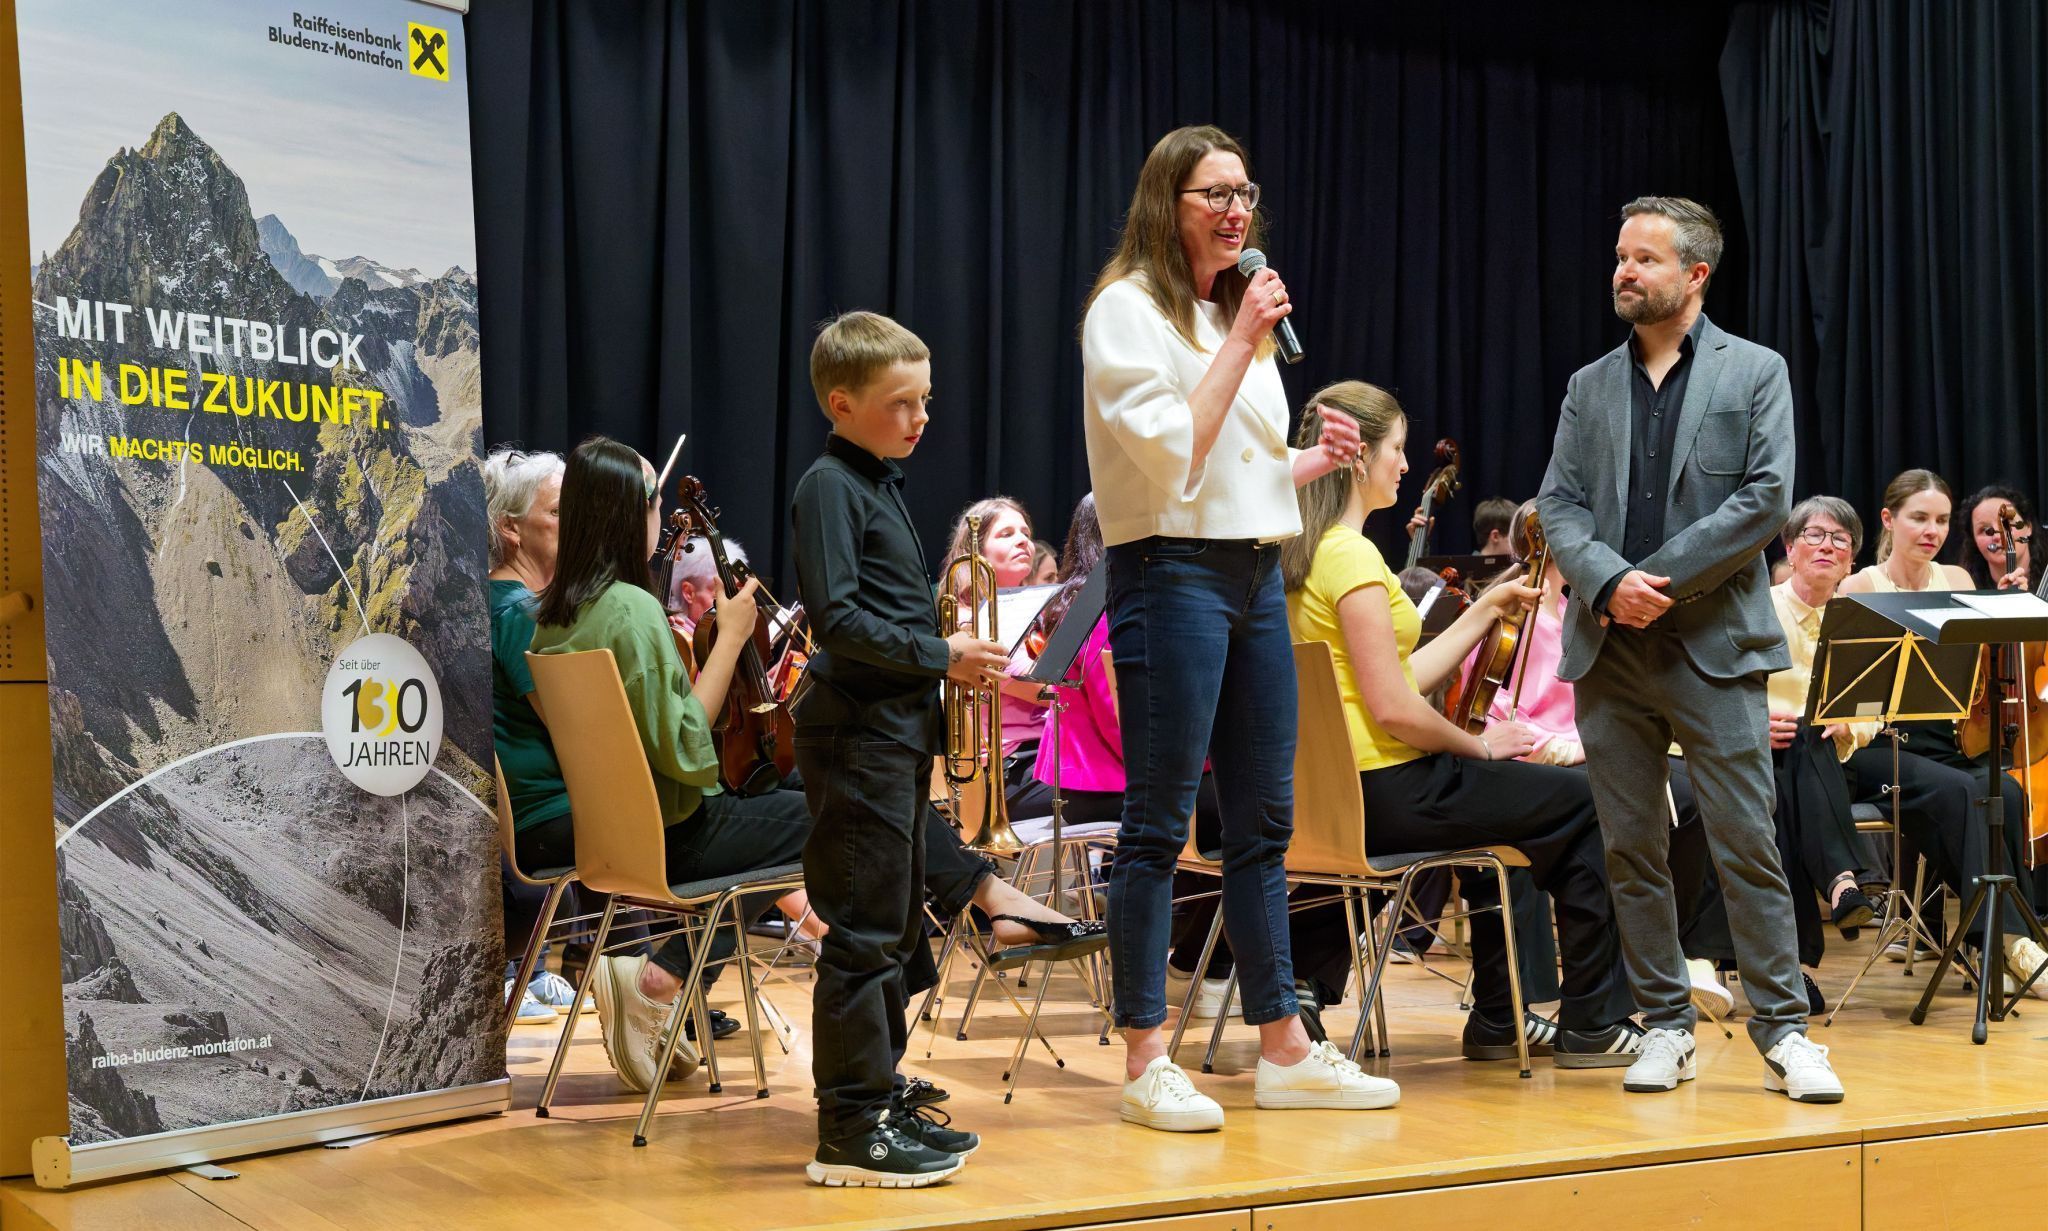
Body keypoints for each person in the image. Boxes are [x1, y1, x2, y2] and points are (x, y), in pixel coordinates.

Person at [1083, 124, 1391, 1131]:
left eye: (1242, 191)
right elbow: (1172, 450)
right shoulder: (1126, 313)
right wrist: (1246, 340)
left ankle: (1284, 1045)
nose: (1233, 210)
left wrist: (1303, 464)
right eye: (1209, 193)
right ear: (1164, 205)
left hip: (1254, 571)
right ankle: (1142, 1057)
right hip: (1168, 571)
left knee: (1265, 820)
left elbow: (1229, 464)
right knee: (1158, 825)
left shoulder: (1226, 319)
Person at [1536, 195, 1843, 1102]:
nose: (1623, 271)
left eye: (1644, 259)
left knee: (1748, 840)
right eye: (1620, 256)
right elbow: (1557, 504)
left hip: (1709, 642)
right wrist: (1606, 584)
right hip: (1609, 647)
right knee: (1631, 848)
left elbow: (1762, 499)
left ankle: (1784, 1030)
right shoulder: (1589, 384)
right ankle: (1666, 1023)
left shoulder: (1756, 371)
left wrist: (1650, 582)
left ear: (1694, 275)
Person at [1283, 382, 1640, 1066]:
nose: (1406, 465)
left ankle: (1502, 1014)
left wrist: (1483, 611)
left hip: (1336, 791)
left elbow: (1396, 678)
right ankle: (1594, 1019)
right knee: (1590, 800)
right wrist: (1477, 743)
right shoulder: (1352, 557)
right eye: (1397, 449)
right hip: (1388, 787)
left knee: (1506, 806)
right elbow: (1392, 708)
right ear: (1357, 458)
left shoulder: (1304, 554)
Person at [528, 438, 816, 1095]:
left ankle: (664, 977)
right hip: (676, 838)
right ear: (632, 515)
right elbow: (689, 749)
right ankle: (662, 976)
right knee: (840, 816)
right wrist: (735, 637)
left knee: (803, 796)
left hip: (612, 841)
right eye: (655, 502)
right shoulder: (632, 610)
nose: (660, 515)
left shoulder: (555, 618)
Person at [789, 310, 1002, 1186]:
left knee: (892, 921)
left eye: (925, 401)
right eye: (900, 403)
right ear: (842, 403)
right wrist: (940, 653)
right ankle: (847, 1126)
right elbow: (837, 618)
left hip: (892, 732)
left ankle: (875, 1093)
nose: (920, 419)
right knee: (863, 931)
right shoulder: (829, 487)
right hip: (859, 735)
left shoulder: (876, 480)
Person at [1839, 472, 2047, 994]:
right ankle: (2007, 943)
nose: (1931, 530)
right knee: (1961, 791)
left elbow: (1978, 663)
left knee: (2008, 787)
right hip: (1875, 744)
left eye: (1940, 520)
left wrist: (2004, 610)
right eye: (1918, 518)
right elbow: (1846, 683)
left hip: (1943, 740)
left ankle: (1998, 939)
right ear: (1889, 520)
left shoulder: (1955, 577)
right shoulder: (1861, 586)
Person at [483, 447, 587, 1025]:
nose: (575, 523)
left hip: (541, 816)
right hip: (550, 819)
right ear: (511, 528)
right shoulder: (519, 611)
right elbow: (581, 731)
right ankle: (658, 978)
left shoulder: (506, 603)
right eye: (559, 510)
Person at [940, 496, 1055, 817]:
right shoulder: (968, 623)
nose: (1023, 540)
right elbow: (1042, 690)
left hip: (1044, 755)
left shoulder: (1033, 614)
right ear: (976, 553)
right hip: (1010, 771)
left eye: (1025, 533)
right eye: (1006, 534)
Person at [1955, 484, 2038, 592]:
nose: (1998, 536)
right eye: (1985, 530)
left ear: (2028, 527)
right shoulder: (1963, 586)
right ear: (1974, 540)